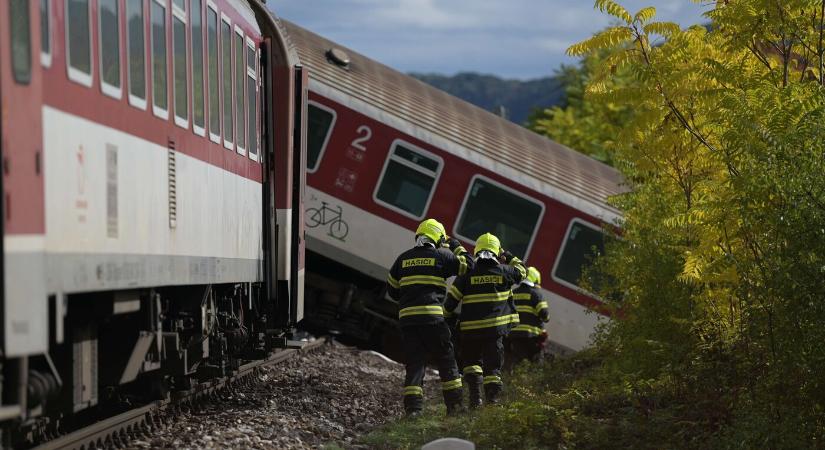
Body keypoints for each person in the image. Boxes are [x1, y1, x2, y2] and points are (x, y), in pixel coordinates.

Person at [386, 218, 474, 416]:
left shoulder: (402, 259)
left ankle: (413, 410)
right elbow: (469, 266)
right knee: (446, 360)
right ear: (438, 239)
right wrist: (456, 245)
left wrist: (409, 298)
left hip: (408, 321)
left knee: (415, 363)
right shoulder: (442, 257)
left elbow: (392, 290)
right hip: (433, 320)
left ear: (419, 235)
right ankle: (455, 407)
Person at [444, 233, 525, 408]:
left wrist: (447, 319)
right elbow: (522, 270)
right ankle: (492, 400)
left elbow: (450, 302)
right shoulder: (506, 272)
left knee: (472, 364)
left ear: (477, 250)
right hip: (494, 331)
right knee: (493, 367)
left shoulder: (467, 273)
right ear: (497, 253)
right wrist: (508, 256)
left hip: (470, 330)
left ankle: (475, 399)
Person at [504, 266, 549, 370]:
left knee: (517, 362)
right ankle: (530, 383)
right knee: (536, 364)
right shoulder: (537, 294)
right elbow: (545, 315)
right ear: (535, 280)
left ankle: (513, 382)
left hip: (515, 335)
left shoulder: (513, 293)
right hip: (532, 336)